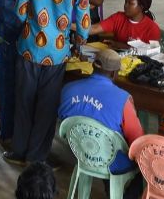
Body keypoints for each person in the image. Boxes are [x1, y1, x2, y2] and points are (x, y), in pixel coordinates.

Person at [7, 0, 91, 165]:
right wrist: (79, 41)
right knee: (46, 104)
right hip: (56, 53)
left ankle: (19, 151)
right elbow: (83, 24)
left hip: (29, 47)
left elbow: (20, 11)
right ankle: (36, 157)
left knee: (23, 100)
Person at [0, 0, 58, 144]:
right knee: (8, 84)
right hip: (10, 35)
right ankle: (8, 136)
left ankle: (22, 137)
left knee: (25, 90)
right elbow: (4, 3)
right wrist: (26, 25)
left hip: (30, 36)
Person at [58, 49, 142, 180]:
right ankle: (124, 198)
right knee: (141, 156)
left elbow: (62, 121)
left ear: (92, 65)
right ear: (115, 73)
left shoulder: (68, 89)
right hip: (111, 161)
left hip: (78, 151)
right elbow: (137, 141)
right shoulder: (122, 100)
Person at [88, 0, 161, 45]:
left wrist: (119, 45)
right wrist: (77, 27)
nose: (126, 5)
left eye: (130, 3)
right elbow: (94, 28)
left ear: (141, 7)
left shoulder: (152, 29)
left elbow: (152, 53)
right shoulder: (118, 17)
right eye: (125, 2)